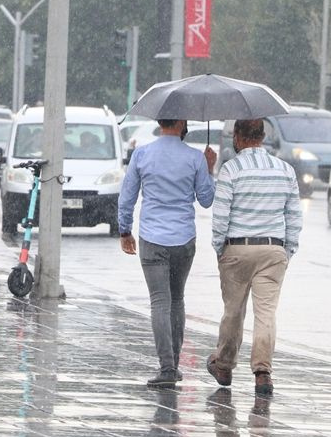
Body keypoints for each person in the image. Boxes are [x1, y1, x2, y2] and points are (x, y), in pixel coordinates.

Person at [206, 118, 303, 397]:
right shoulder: (285, 170)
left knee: (234, 311)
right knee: (266, 313)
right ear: (262, 137)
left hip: (237, 247)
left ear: (238, 136)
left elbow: (221, 214)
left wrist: (219, 247)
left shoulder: (230, 169)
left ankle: (224, 365)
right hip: (273, 249)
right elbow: (293, 216)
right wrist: (288, 249)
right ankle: (262, 372)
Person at [117, 118, 216, 388]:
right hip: (183, 239)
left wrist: (125, 230)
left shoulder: (142, 154)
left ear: (160, 122)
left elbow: (127, 196)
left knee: (160, 301)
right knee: (177, 299)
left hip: (152, 238)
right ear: (182, 123)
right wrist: (209, 169)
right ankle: (175, 360)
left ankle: (167, 367)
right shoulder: (195, 158)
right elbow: (206, 199)